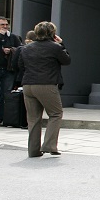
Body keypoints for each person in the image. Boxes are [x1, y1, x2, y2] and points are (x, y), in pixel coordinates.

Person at [18, 21, 70, 157]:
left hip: (28, 85)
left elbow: (20, 65)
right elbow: (66, 61)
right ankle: (49, 145)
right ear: (52, 33)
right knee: (56, 114)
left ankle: (33, 150)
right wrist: (61, 44)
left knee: (33, 118)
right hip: (46, 84)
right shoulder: (55, 47)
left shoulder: (26, 48)